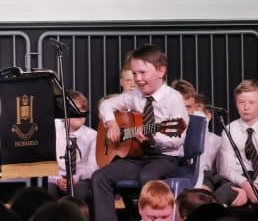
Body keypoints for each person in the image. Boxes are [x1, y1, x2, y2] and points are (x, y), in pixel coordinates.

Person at [93, 44, 189, 221]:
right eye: (134, 73)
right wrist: (111, 123)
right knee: (100, 177)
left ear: (161, 71)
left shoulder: (174, 99)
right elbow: (106, 105)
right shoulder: (135, 95)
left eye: (143, 73)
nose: (137, 79)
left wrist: (153, 139)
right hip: (137, 156)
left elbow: (177, 140)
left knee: (147, 176)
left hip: (165, 157)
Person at [215, 79, 258, 219]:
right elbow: (226, 168)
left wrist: (254, 186)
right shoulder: (229, 130)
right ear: (236, 104)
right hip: (238, 178)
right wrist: (245, 185)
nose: (246, 107)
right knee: (220, 197)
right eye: (241, 102)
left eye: (251, 102)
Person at [48, 90, 98, 203]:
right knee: (47, 189)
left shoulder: (93, 136)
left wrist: (75, 178)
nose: (79, 113)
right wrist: (57, 180)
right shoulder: (52, 129)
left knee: (80, 190)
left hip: (79, 179)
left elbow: (92, 168)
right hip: (56, 178)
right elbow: (45, 161)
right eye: (74, 109)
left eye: (83, 109)